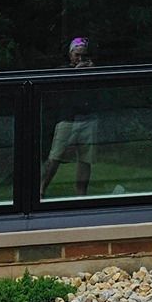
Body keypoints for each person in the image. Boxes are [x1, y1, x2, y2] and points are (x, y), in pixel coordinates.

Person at [41, 37, 97, 198]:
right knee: (55, 156)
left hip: (88, 118)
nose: (80, 59)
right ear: (70, 54)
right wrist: (76, 73)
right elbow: (56, 93)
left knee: (86, 159)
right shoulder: (63, 70)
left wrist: (93, 74)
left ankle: (81, 194)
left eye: (83, 56)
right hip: (67, 119)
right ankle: (41, 189)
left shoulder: (91, 70)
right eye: (77, 55)